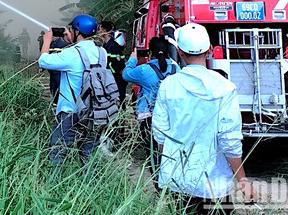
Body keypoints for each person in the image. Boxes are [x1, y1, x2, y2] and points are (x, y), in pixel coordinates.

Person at [152, 23, 254, 212]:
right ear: (209, 50)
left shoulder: (168, 86)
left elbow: (160, 137)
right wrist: (242, 179)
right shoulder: (225, 87)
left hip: (178, 181)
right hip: (215, 184)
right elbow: (229, 140)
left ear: (180, 52)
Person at [38, 14, 103, 165]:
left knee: (58, 152)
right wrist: (72, 43)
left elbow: (44, 61)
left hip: (71, 111)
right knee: (88, 155)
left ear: (77, 32)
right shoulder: (102, 53)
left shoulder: (71, 53)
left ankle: (54, 185)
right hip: (94, 111)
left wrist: (47, 41)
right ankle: (90, 186)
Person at [122, 36, 177, 175]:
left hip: (149, 117)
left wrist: (133, 59)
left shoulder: (144, 70)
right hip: (172, 117)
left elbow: (126, 75)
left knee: (152, 151)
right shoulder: (177, 69)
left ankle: (158, 182)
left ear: (150, 53)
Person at [99, 20, 127, 103]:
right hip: (110, 79)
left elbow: (118, 63)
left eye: (99, 29)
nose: (98, 32)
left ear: (104, 31)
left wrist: (110, 72)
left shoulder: (113, 46)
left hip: (116, 80)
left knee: (119, 101)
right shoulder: (106, 45)